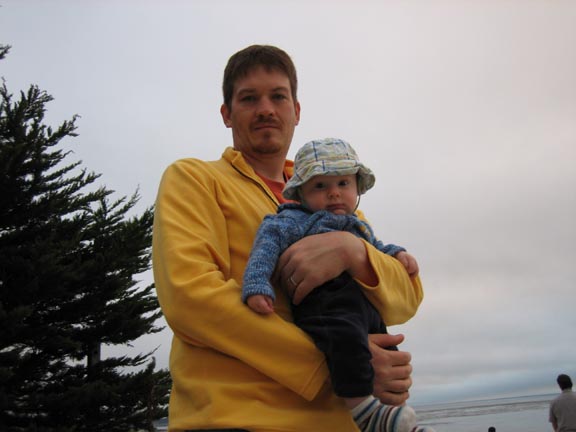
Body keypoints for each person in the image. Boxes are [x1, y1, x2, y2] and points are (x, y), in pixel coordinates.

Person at [153, 44, 425, 432]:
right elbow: (189, 297)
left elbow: (407, 297)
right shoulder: (195, 179)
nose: (266, 109)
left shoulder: (329, 194)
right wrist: (341, 361)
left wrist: (352, 251)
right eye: (249, 98)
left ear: (296, 110)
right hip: (236, 419)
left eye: (278, 96)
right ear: (227, 114)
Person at [242, 138, 432, 432]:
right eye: (320, 186)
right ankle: (362, 411)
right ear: (301, 194)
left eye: (343, 183)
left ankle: (396, 420)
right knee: (346, 339)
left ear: (357, 188)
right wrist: (256, 285)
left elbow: (377, 248)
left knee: (388, 351)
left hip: (363, 305)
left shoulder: (357, 223)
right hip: (324, 302)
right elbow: (264, 249)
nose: (333, 193)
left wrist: (397, 254)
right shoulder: (290, 219)